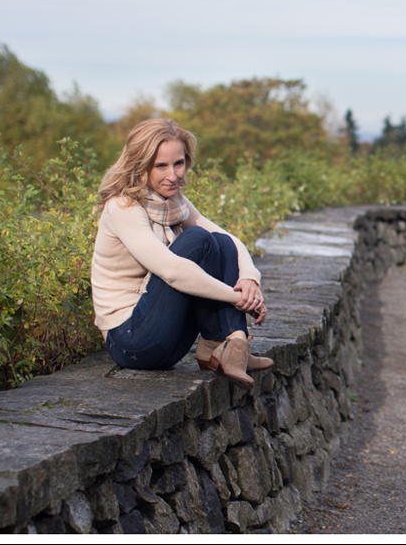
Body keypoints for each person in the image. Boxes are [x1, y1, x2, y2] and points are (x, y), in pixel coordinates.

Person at [91, 118, 272, 389]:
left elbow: (231, 241)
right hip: (131, 342)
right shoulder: (123, 207)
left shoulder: (173, 202)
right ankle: (230, 346)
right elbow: (173, 271)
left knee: (219, 242)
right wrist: (239, 300)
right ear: (140, 164)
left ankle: (229, 346)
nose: (173, 175)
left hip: (168, 339)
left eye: (179, 163)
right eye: (161, 166)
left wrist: (250, 279)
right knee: (197, 239)